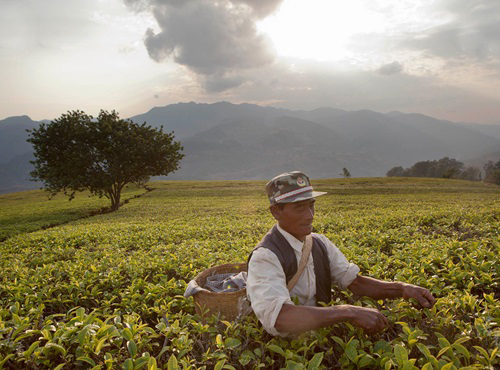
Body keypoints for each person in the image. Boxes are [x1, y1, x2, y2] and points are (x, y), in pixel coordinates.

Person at [246, 171, 435, 337]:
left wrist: (402, 288)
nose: (310, 215)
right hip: (288, 352)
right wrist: (347, 311)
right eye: (299, 208)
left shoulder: (318, 242)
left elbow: (356, 283)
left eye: (311, 205)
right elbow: (280, 317)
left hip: (321, 337)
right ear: (276, 212)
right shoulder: (266, 257)